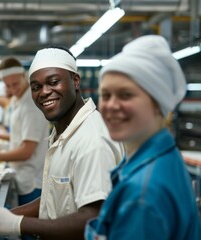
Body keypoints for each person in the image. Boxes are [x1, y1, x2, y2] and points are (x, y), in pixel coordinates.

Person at [0, 47, 123, 240]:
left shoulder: (92, 140)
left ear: (75, 81)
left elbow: (93, 217)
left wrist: (18, 224)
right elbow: (53, 195)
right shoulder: (64, 130)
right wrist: (10, 215)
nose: (44, 92)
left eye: (53, 82)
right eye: (36, 87)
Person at [84, 35, 201, 239]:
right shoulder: (164, 157)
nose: (111, 105)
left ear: (157, 103)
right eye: (106, 94)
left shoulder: (142, 195)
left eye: (125, 95)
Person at [0, 57, 49, 206]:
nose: (12, 89)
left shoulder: (31, 105)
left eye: (15, 84)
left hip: (32, 181)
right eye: (7, 85)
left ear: (24, 75)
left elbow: (26, 151)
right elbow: (21, 136)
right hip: (21, 174)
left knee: (29, 227)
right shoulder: (18, 99)